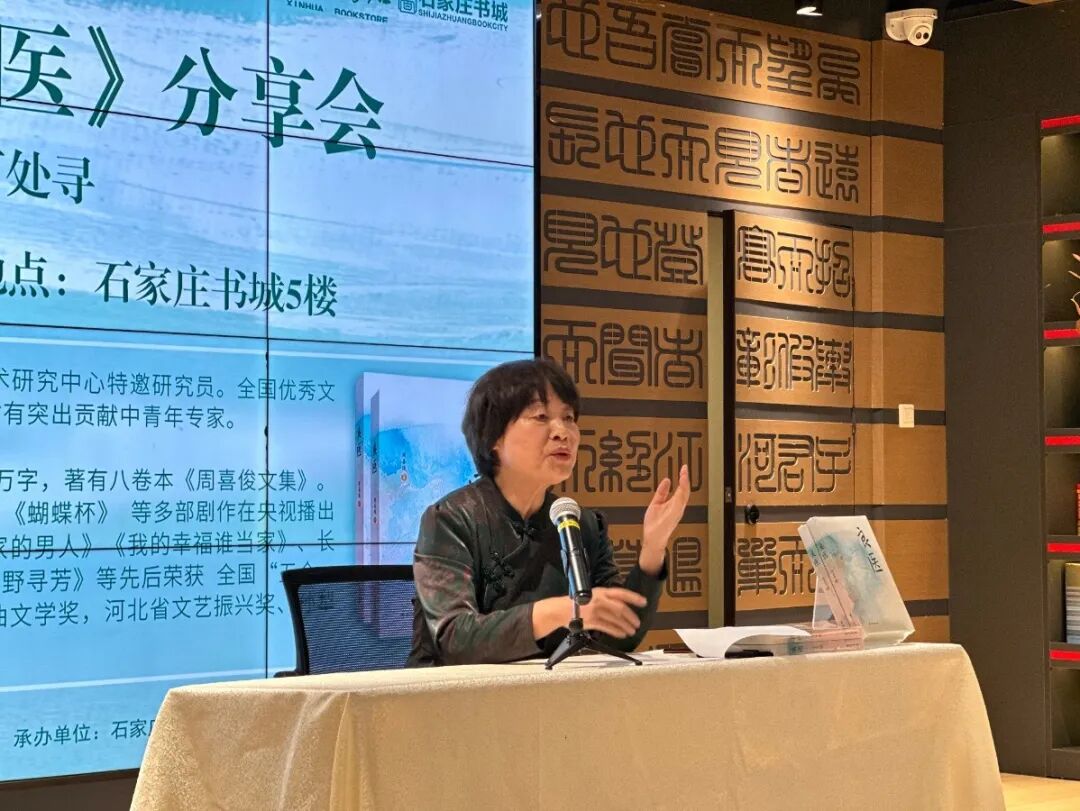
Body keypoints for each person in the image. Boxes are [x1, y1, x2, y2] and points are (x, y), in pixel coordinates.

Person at [407, 358, 690, 667]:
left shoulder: (579, 523)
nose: (562, 432)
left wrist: (653, 549)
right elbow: (455, 639)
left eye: (568, 418)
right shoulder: (450, 520)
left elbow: (619, 635)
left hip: (549, 692)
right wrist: (559, 611)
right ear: (494, 438)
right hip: (454, 693)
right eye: (541, 417)